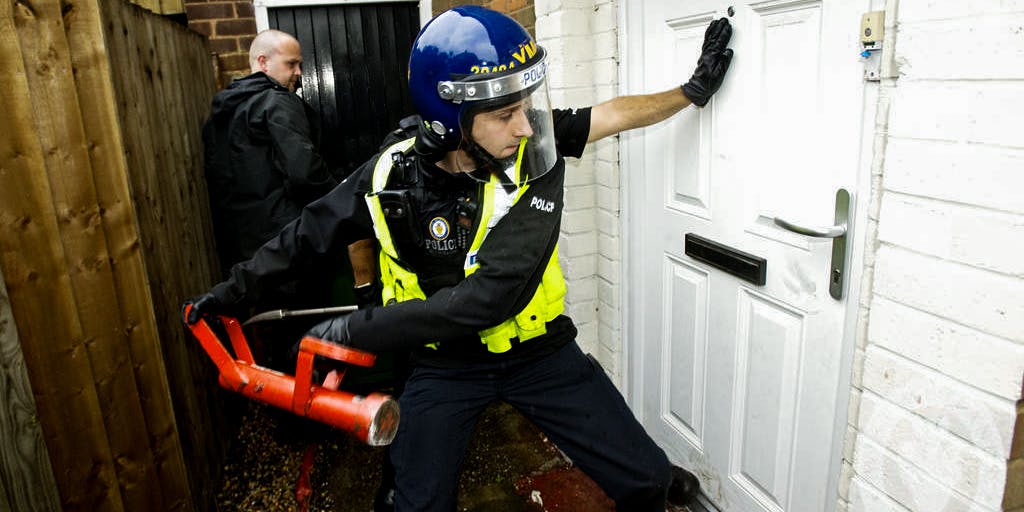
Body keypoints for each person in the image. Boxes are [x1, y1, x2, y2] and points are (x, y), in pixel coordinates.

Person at [185, 6, 733, 511]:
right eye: (505, 114)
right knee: (414, 501)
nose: (525, 126)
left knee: (644, 480)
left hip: (539, 353)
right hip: (443, 365)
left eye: (527, 107)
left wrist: (689, 92)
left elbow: (489, 297)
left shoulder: (534, 158)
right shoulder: (390, 172)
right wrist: (230, 292)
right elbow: (307, 233)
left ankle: (659, 483)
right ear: (450, 118)